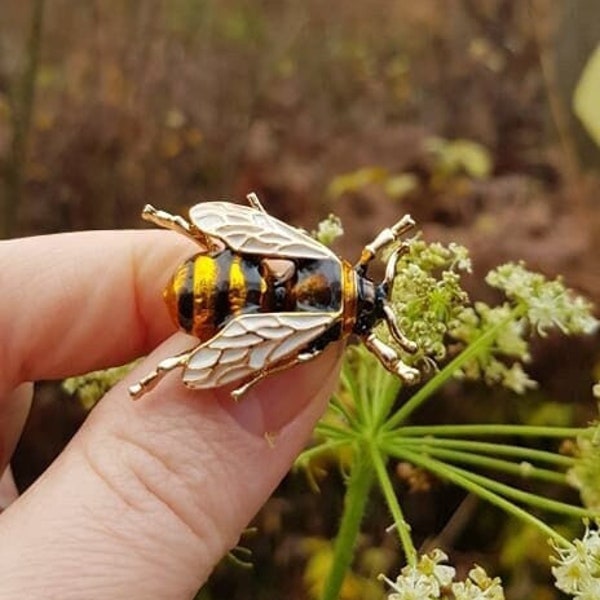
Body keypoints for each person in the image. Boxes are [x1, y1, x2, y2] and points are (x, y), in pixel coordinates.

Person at [0, 229, 342, 598]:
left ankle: (191, 247)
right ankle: (174, 359)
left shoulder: (315, 265)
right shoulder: (315, 327)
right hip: (217, 294)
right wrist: (256, 375)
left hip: (220, 280)